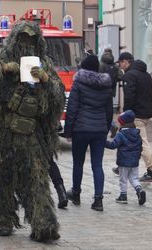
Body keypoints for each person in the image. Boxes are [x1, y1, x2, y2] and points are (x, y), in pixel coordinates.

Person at [0, 21, 65, 242]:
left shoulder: (44, 65)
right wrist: (1, 69)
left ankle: (44, 225)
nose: (26, 44)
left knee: (36, 182)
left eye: (31, 40)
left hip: (31, 138)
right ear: (14, 40)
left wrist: (46, 79)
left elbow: (58, 98)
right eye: (22, 39)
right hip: (2, 136)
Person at [64, 54, 113, 212]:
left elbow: (72, 109)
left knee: (78, 162)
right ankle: (98, 200)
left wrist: (68, 131)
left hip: (81, 129)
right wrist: (105, 129)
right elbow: (109, 110)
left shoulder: (78, 83)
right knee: (97, 164)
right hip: (99, 129)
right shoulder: (106, 85)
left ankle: (76, 193)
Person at [115, 52, 152, 182]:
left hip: (134, 114)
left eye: (121, 63)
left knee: (141, 142)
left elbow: (129, 97)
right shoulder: (146, 75)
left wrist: (126, 114)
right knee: (126, 139)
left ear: (125, 62)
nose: (120, 67)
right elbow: (151, 95)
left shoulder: (129, 75)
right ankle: (122, 165)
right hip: (144, 112)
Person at [105, 110, 146, 205]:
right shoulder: (137, 134)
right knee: (134, 178)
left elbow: (113, 145)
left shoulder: (121, 134)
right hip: (135, 161)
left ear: (123, 123)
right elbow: (140, 147)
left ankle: (123, 196)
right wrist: (137, 157)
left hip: (123, 162)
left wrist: (104, 142)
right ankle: (139, 190)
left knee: (123, 179)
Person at [99, 48, 123, 138]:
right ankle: (111, 126)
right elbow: (121, 77)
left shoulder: (100, 63)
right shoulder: (115, 65)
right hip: (110, 92)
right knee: (108, 112)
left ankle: (109, 127)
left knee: (101, 111)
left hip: (100, 92)